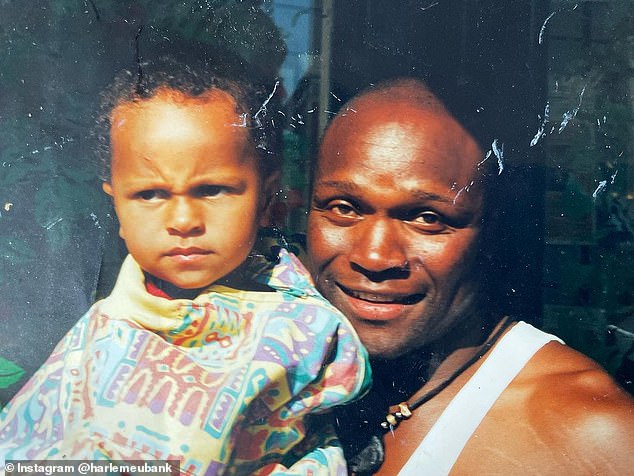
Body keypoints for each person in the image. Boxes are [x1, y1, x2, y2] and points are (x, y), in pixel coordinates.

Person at [0, 52, 370, 475]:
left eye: (212, 189)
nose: (183, 222)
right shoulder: (102, 332)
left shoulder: (305, 332)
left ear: (268, 199)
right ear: (117, 209)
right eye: (151, 195)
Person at [306, 78, 634, 475]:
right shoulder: (262, 368)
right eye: (344, 208)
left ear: (491, 232)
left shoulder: (587, 431)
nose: (375, 256)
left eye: (428, 219)